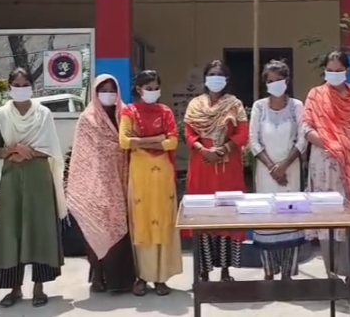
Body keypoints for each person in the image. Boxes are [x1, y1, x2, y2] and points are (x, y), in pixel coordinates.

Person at [0, 68, 66, 307]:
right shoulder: (1, 115)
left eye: (25, 84)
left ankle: (39, 287)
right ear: (9, 86)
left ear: (32, 86)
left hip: (38, 177)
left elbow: (51, 148)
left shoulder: (43, 114)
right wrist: (13, 150)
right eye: (16, 84)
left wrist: (27, 152)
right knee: (11, 230)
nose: (21, 88)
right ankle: (14, 289)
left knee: (40, 230)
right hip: (12, 178)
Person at [301, 50, 350, 302]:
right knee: (327, 224)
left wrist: (344, 147)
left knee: (349, 224)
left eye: (338, 70)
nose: (333, 74)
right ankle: (331, 279)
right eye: (329, 70)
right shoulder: (315, 95)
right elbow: (306, 127)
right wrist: (330, 143)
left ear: (347, 71)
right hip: (323, 168)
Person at [67, 74, 136, 294]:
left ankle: (120, 280)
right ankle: (97, 274)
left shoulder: (125, 114)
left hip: (122, 180)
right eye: (103, 90)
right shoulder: (87, 119)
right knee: (95, 228)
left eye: (112, 90)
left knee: (120, 228)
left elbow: (131, 145)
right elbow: (83, 155)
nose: (108, 94)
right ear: (95, 93)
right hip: (95, 183)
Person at [119, 70, 183, 296]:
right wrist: (157, 139)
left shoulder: (165, 111)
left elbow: (173, 142)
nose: (153, 92)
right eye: (149, 88)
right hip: (140, 174)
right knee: (141, 222)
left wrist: (141, 142)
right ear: (139, 89)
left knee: (163, 221)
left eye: (156, 88)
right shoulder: (129, 111)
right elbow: (124, 141)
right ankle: (142, 277)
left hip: (162, 175)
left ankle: (161, 278)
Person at [184, 60, 249, 282]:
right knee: (202, 214)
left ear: (227, 79)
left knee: (228, 213)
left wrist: (224, 149)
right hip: (201, 164)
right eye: (211, 74)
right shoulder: (195, 104)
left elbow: (242, 134)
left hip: (227, 166)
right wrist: (203, 149)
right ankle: (203, 271)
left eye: (219, 74)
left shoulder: (235, 104)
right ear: (205, 78)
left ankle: (225, 271)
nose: (215, 78)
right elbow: (189, 133)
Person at [249, 60, 307, 280]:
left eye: (278, 80)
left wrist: (284, 166)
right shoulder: (259, 107)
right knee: (267, 221)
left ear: (287, 80)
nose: (274, 84)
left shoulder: (297, 106)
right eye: (270, 80)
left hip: (291, 171)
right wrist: (272, 167)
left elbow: (302, 139)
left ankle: (287, 274)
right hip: (265, 174)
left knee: (290, 218)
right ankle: (269, 272)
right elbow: (253, 141)